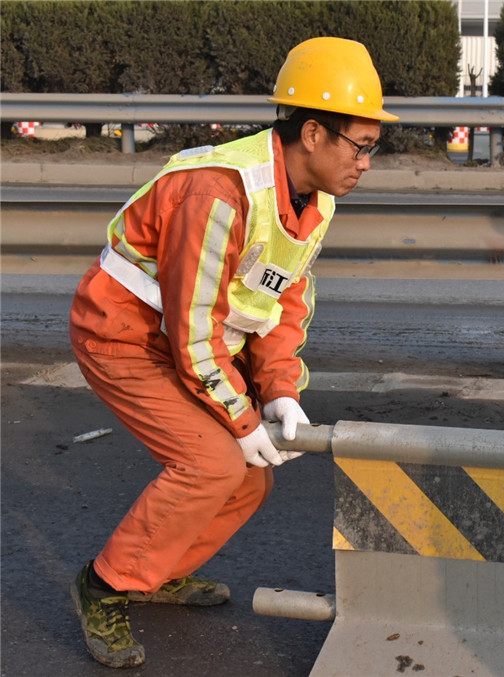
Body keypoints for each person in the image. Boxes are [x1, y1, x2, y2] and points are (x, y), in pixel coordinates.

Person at [68, 37, 398, 669]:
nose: (366, 162)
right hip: (123, 334)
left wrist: (279, 390)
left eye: (371, 147)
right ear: (311, 135)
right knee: (214, 464)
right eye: (361, 145)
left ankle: (154, 572)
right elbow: (192, 332)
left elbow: (282, 300)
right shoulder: (219, 192)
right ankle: (104, 586)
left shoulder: (315, 200)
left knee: (250, 478)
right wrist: (242, 419)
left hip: (193, 341)